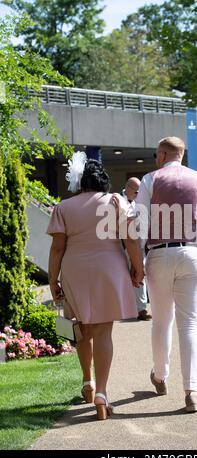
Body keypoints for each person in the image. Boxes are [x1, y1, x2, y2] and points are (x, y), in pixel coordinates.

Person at [47, 153, 144, 420]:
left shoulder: (63, 207)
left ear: (80, 182)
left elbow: (57, 249)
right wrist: (139, 268)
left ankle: (87, 381)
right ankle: (101, 393)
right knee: (103, 331)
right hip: (109, 267)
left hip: (74, 268)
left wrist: (52, 279)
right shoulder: (116, 201)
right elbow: (132, 240)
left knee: (82, 327)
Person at [136, 136, 197, 412]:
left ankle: (160, 376)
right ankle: (192, 391)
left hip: (160, 255)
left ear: (162, 155)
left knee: (161, 322)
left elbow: (140, 222)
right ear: (181, 155)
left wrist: (137, 261)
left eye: (156, 154)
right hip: (192, 254)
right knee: (188, 325)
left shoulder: (150, 179)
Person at [121, 177, 152, 321]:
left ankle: (141, 309)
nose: (138, 194)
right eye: (136, 191)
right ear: (127, 187)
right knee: (121, 277)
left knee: (140, 276)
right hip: (120, 247)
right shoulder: (116, 201)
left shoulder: (139, 204)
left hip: (137, 246)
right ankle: (123, 308)